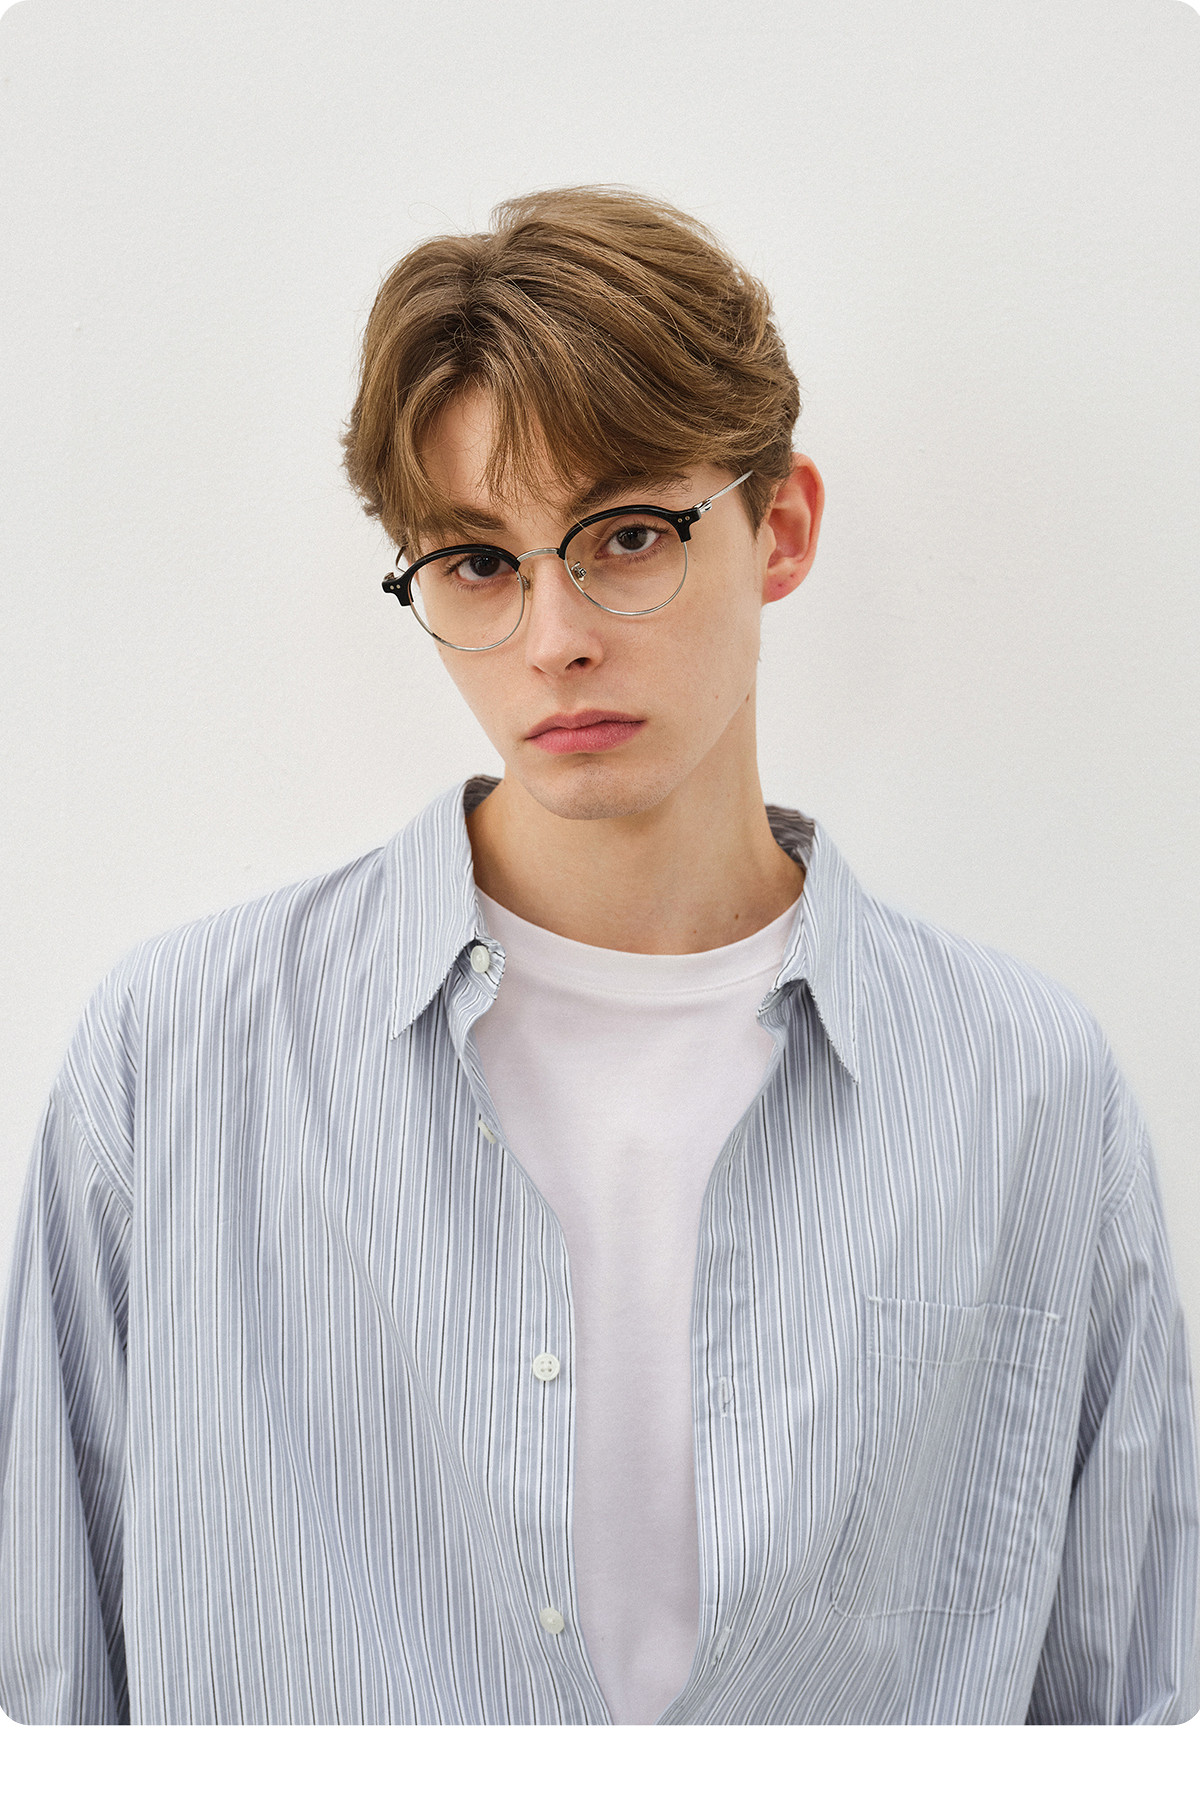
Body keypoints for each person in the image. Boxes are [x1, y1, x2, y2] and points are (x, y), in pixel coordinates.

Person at [0, 186, 1196, 1728]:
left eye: (628, 537)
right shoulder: (175, 1063)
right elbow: (43, 1706)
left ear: (783, 530)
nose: (553, 634)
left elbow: (1136, 1726)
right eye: (477, 563)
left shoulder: (1028, 1091)